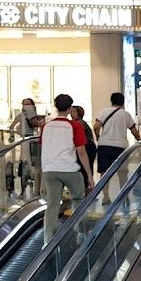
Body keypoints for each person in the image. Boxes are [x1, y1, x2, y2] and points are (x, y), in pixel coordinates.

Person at [40, 93, 92, 244]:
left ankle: (47, 241)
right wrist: (89, 175)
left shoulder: (46, 126)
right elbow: (81, 152)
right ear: (70, 109)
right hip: (69, 169)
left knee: (52, 205)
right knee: (78, 200)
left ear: (56, 107)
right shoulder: (74, 125)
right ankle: (80, 234)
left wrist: (43, 176)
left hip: (50, 170)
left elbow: (44, 150)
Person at [93, 92, 141, 204]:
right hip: (121, 146)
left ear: (111, 101)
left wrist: (98, 137)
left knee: (104, 173)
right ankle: (124, 197)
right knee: (122, 172)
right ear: (123, 102)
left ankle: (105, 197)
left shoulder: (104, 112)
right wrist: (140, 141)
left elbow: (96, 126)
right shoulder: (125, 114)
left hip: (104, 145)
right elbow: (134, 131)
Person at [69, 105, 97, 192]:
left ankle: (86, 189)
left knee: (84, 170)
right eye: (71, 112)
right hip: (88, 148)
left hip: (87, 148)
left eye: (74, 112)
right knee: (86, 169)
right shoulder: (80, 123)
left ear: (79, 113)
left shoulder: (79, 123)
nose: (71, 114)